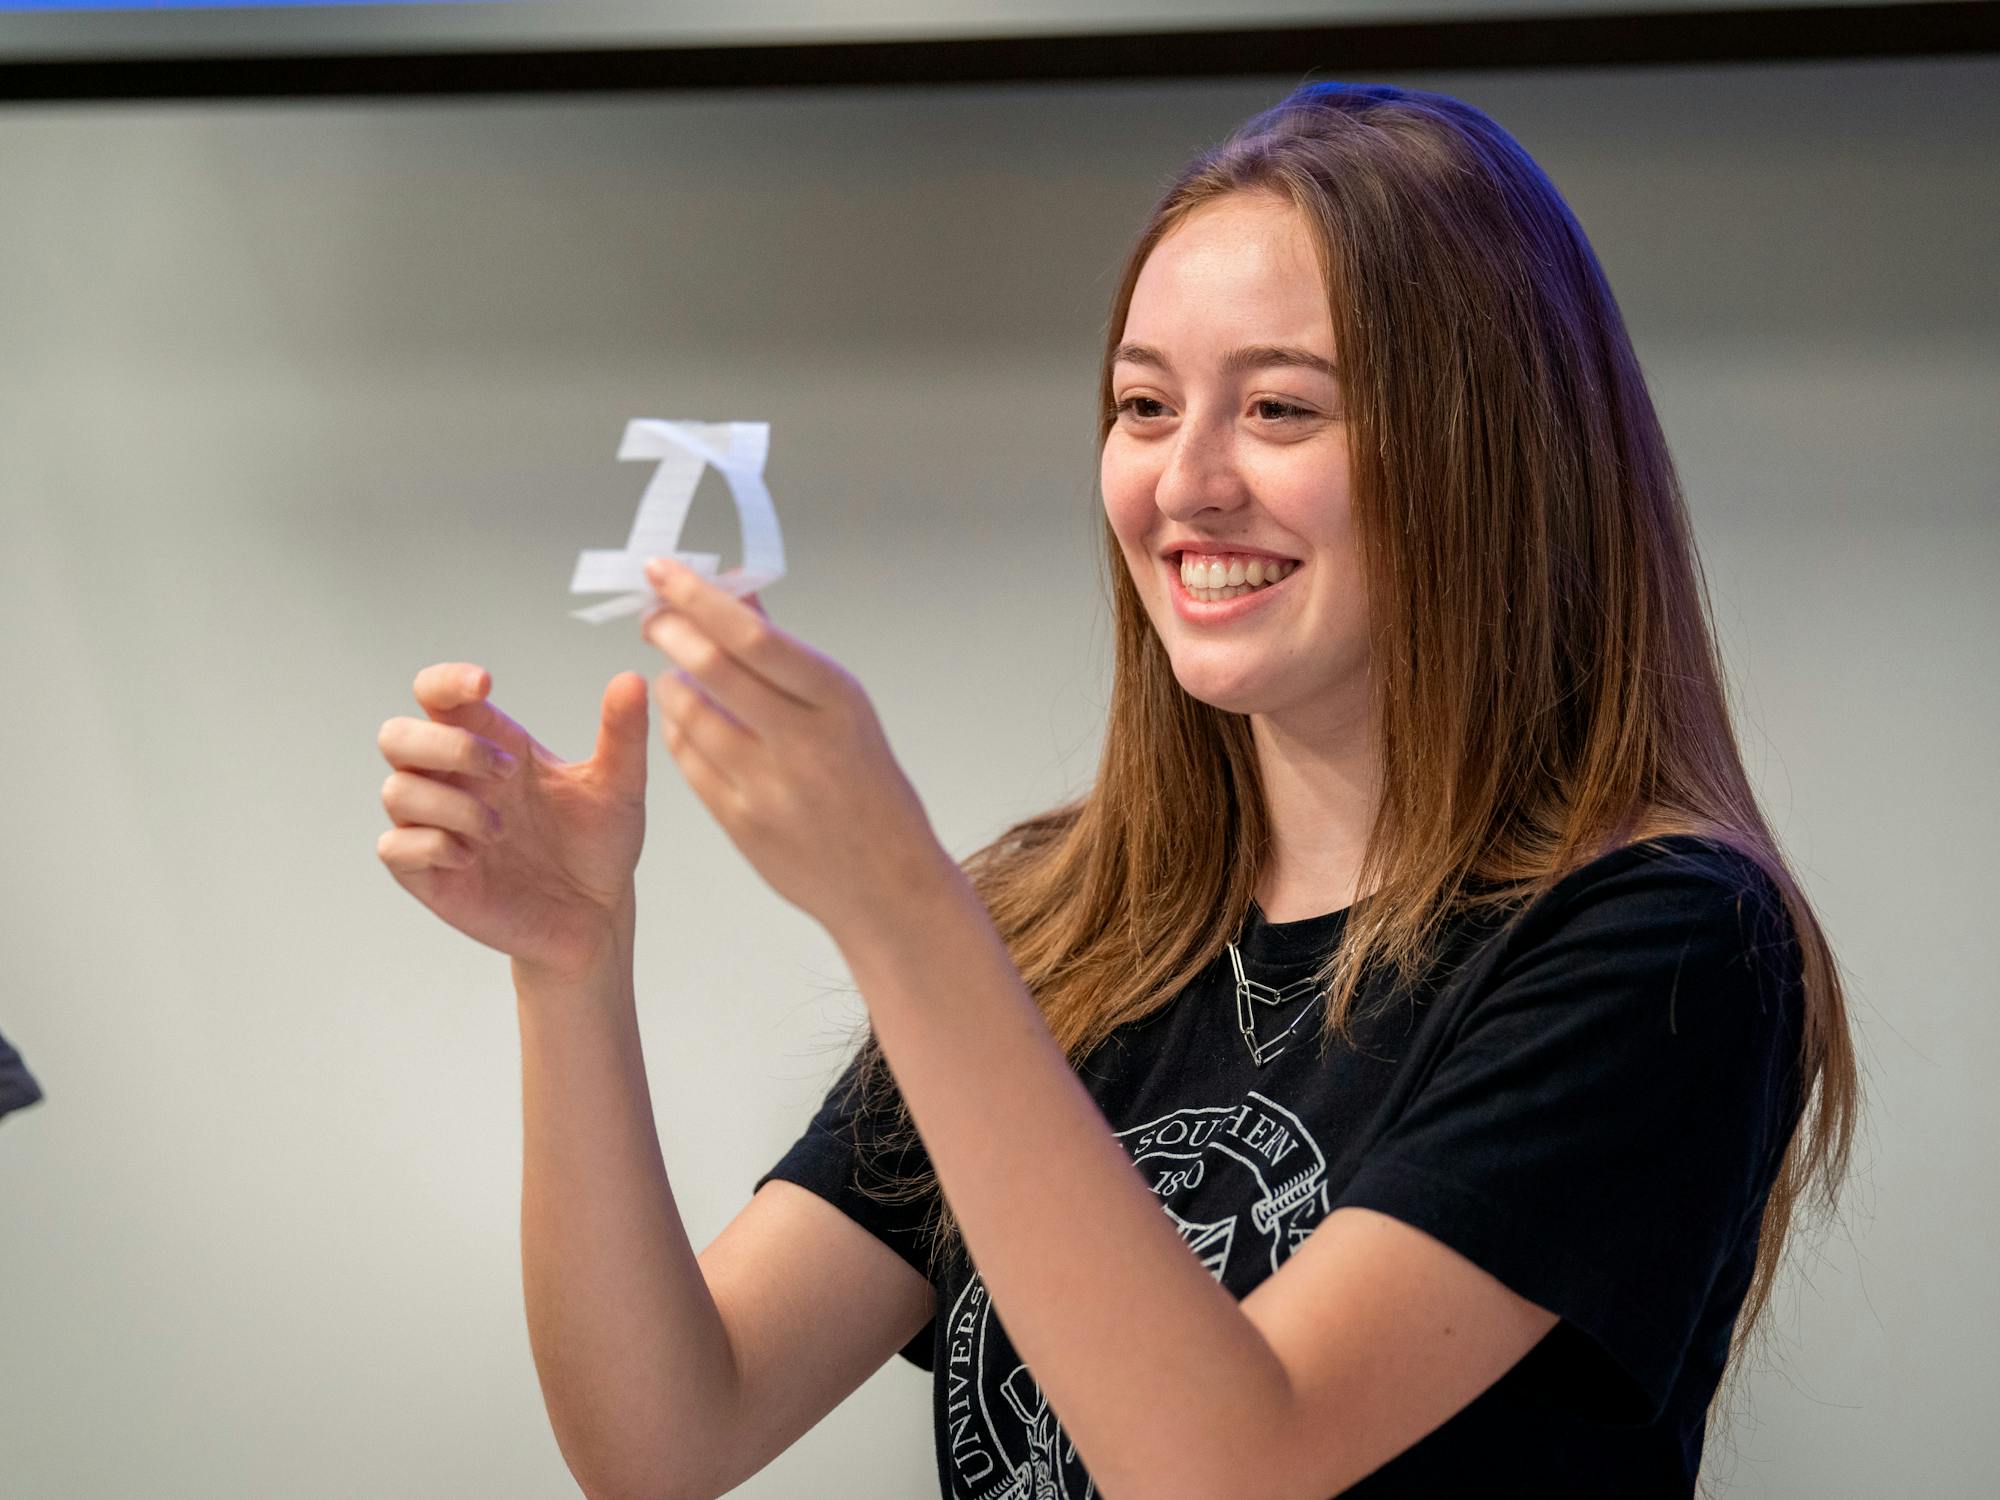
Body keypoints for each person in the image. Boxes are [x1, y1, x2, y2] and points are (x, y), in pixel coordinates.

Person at [375, 80, 1858, 1500]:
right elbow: (663, 1438)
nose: (1184, 484)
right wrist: (569, 967)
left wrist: (895, 908)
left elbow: (1229, 1464)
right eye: (1144, 408)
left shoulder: (1663, 946)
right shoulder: (1057, 919)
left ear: (1486, 453)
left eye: (1279, 411)